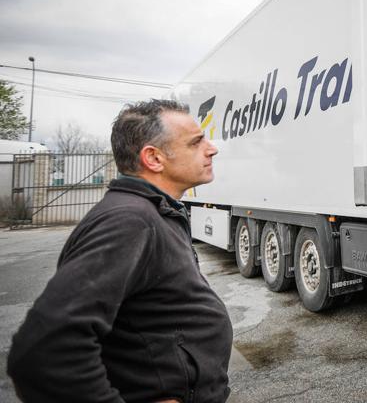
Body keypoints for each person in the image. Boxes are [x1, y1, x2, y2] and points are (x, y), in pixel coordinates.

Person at [7, 99, 233, 403]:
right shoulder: (129, 221)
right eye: (196, 142)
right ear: (153, 158)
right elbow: (43, 352)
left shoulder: (154, 213)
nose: (211, 148)